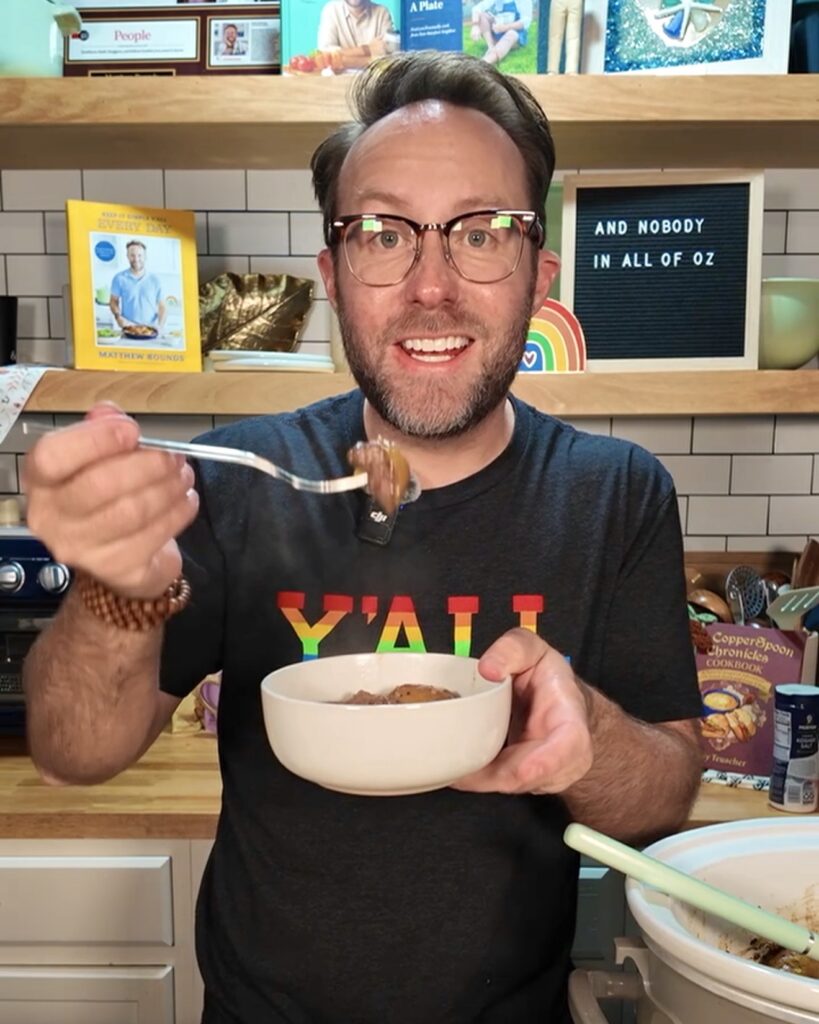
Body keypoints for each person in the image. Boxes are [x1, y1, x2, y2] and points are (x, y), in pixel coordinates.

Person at [22, 51, 703, 1024]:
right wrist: (113, 586)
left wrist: (584, 736)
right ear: (332, 276)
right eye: (383, 234)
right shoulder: (234, 478)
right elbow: (72, 752)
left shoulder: (616, 494)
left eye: (482, 232)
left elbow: (668, 792)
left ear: (540, 277)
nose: (432, 285)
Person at [108, 240, 166, 332]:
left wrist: (160, 326)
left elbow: (162, 306)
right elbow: (113, 301)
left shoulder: (155, 280)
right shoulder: (119, 278)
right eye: (132, 255)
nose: (136, 259)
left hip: (150, 329)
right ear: (127, 256)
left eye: (139, 255)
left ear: (145, 257)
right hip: (128, 328)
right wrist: (118, 317)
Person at [316, 0, 396, 61]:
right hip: (339, 79)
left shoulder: (382, 13)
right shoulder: (331, 11)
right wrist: (367, 49)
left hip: (374, 79)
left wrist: (344, 58)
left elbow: (387, 56)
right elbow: (325, 54)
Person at [470, 0, 533, 65]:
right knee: (483, 16)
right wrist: (475, 25)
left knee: (511, 34)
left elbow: (526, 21)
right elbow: (477, 8)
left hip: (515, 34)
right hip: (498, 30)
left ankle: (484, 62)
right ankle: (491, 47)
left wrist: (504, 28)